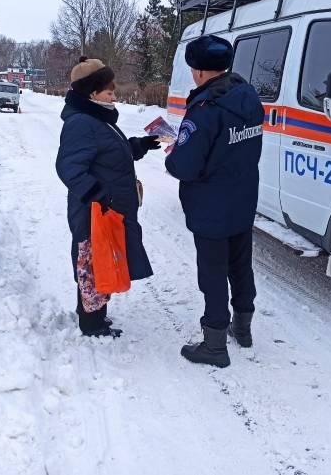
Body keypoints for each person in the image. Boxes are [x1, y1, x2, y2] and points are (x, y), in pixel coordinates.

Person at [165, 35, 265, 368]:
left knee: (212, 273)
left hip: (211, 206)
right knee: (240, 265)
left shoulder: (206, 109)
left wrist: (174, 153)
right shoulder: (248, 96)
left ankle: (215, 345)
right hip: (242, 198)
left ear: (198, 72)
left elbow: (185, 166)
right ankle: (244, 329)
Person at [56, 57, 160, 337]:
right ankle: (91, 324)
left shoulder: (97, 118)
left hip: (106, 209)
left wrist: (140, 145)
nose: (114, 96)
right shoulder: (82, 122)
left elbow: (110, 154)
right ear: (92, 93)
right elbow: (69, 167)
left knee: (102, 261)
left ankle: (96, 316)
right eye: (109, 91)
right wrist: (99, 197)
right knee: (91, 263)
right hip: (94, 211)